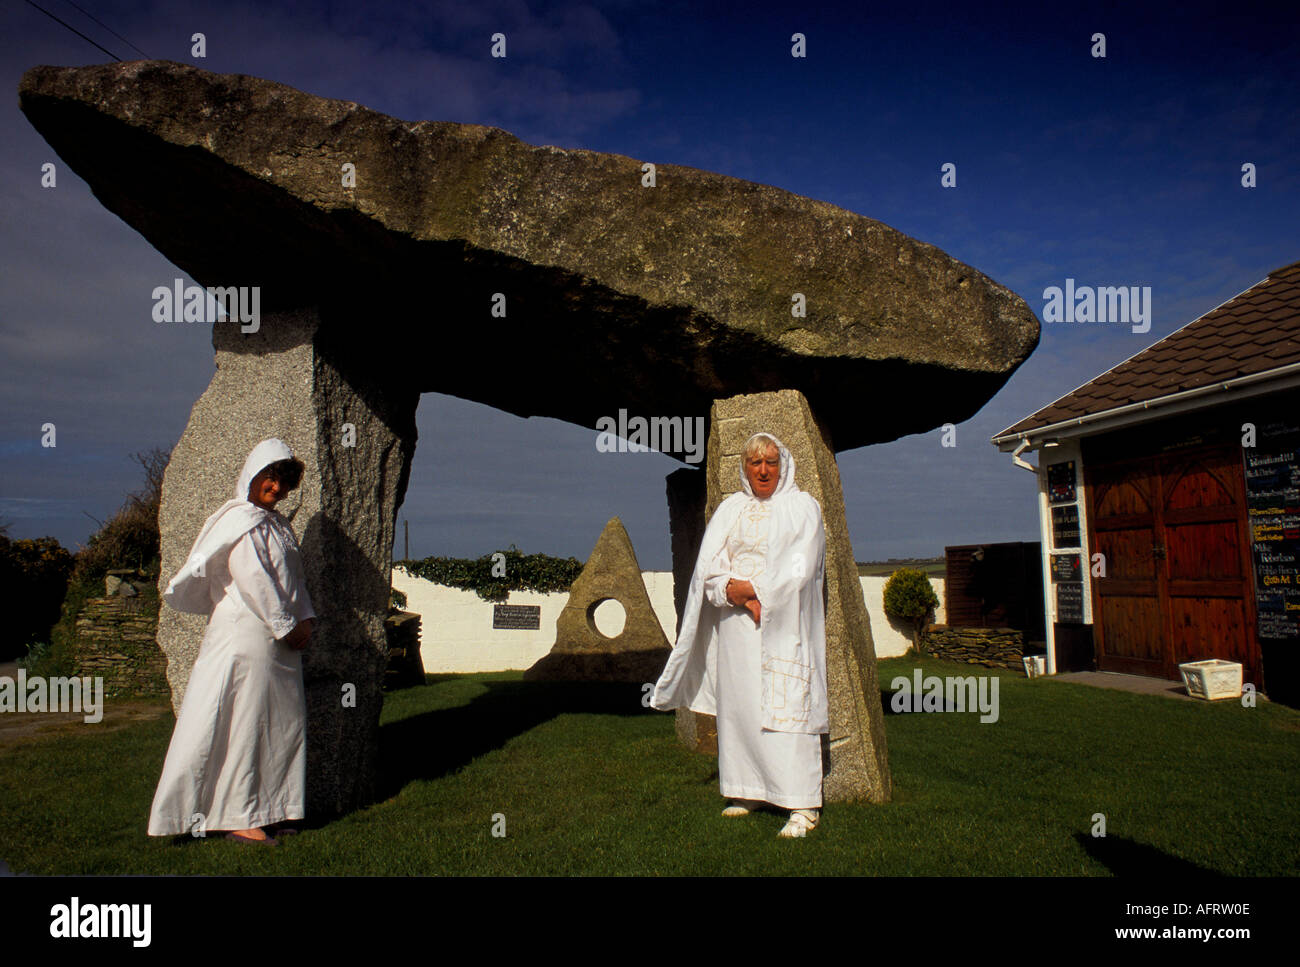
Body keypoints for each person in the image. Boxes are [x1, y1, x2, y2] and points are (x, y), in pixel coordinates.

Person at [652, 432, 828, 837]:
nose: (763, 470)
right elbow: (708, 570)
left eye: (770, 462)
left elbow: (801, 568)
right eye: (754, 463)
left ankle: (802, 804)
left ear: (783, 465)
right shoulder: (731, 509)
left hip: (784, 627)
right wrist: (730, 592)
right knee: (742, 709)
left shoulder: (803, 508)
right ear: (745, 468)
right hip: (737, 631)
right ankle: (747, 789)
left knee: (786, 710)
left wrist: (752, 590)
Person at [148, 438, 316, 845]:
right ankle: (238, 815)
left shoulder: (278, 525)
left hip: (277, 642)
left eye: (283, 482)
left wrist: (306, 618)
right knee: (245, 723)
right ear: (254, 476)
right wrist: (286, 625)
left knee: (279, 727)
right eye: (270, 479)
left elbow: (292, 580)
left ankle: (272, 809)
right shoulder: (240, 520)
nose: (276, 488)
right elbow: (253, 578)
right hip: (247, 636)